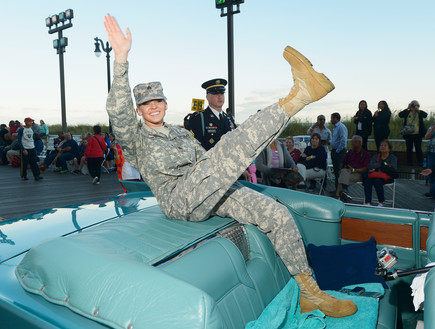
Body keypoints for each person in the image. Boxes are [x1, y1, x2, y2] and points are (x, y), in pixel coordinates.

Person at [103, 14, 356, 317]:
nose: (154, 106)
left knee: (274, 212)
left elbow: (205, 163)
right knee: (228, 148)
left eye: (158, 100)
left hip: (204, 187)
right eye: (146, 104)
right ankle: (298, 96)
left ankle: (309, 291)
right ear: (139, 110)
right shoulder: (137, 139)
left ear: (166, 104)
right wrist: (121, 59)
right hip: (177, 197)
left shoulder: (182, 133)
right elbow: (118, 115)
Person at [188, 78, 236, 151]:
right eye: (215, 93)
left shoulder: (229, 119)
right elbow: (194, 148)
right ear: (207, 97)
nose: (219, 96)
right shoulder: (199, 118)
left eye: (222, 93)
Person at [335, 135, 371, 201]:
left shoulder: (366, 154)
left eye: (354, 142)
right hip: (348, 172)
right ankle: (344, 193)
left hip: (358, 173)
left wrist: (354, 170)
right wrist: (341, 168)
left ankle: (342, 196)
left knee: (342, 177)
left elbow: (366, 168)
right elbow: (343, 162)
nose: (351, 143)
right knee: (343, 173)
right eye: (352, 141)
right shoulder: (350, 152)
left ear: (359, 143)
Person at [362, 140, 397, 206]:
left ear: (389, 148)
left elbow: (393, 169)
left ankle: (381, 202)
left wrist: (378, 166)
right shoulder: (376, 156)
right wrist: (381, 165)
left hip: (388, 176)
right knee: (367, 180)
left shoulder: (393, 158)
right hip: (375, 175)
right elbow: (369, 166)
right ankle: (368, 202)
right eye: (381, 145)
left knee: (377, 181)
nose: (383, 147)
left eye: (385, 145)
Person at [399, 100, 427, 167]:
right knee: (409, 149)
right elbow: (400, 115)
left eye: (416, 105)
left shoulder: (419, 113)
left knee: (418, 149)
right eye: (413, 104)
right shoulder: (407, 112)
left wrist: (418, 110)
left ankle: (420, 163)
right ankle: (409, 164)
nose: (414, 106)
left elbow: (425, 115)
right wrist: (407, 108)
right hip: (408, 134)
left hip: (418, 134)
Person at [330, 112, 348, 190]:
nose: (331, 120)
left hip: (339, 152)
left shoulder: (341, 127)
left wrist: (337, 151)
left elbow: (343, 140)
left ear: (336, 118)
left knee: (339, 171)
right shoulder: (335, 127)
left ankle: (340, 190)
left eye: (332, 118)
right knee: (336, 171)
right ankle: (337, 188)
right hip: (335, 151)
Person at [423, 123, 435, 197]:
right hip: (432, 153)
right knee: (431, 172)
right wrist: (433, 128)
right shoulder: (432, 125)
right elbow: (426, 137)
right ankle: (432, 192)